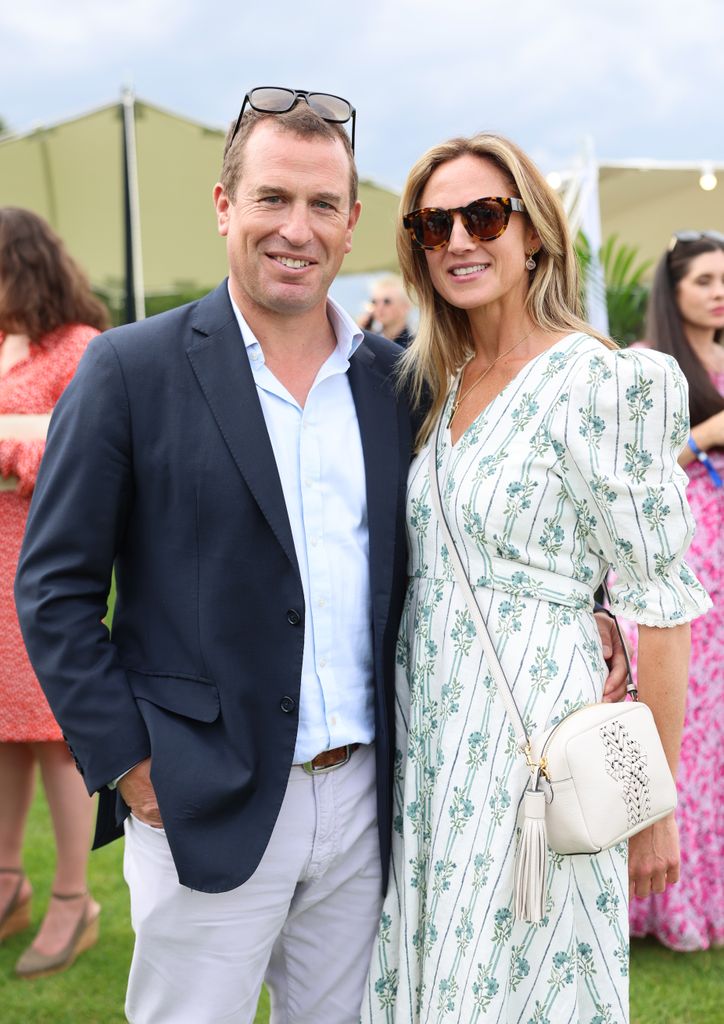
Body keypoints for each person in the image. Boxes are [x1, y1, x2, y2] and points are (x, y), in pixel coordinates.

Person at [15, 95, 627, 1023]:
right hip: (197, 797)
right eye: (271, 199)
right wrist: (133, 768)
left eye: (321, 205)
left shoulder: (400, 382)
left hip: (369, 807)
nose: (294, 229)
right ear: (225, 205)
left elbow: (470, 533)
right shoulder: (130, 371)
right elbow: (54, 591)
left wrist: (591, 609)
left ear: (350, 230)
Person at [361, 134, 710, 1023]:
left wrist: (651, 800)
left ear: (535, 234)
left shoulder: (601, 382)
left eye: (484, 215)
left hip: (540, 751)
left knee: (534, 982)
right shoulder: (437, 381)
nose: (459, 241)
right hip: (433, 747)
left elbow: (662, 608)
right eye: (434, 225)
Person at [0, 207, 107, 977]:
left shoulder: (82, 350)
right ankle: (8, 884)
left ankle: (76, 900)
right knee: (4, 740)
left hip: (42, 571)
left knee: (58, 741)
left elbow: (83, 456)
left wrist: (13, 449)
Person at [626, 231, 724, 951]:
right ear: (674, 289)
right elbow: (630, 468)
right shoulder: (643, 366)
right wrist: (706, 434)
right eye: (705, 281)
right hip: (683, 553)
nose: (719, 292)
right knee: (682, 725)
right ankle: (661, 899)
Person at [359, 275, 414, 346]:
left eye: (386, 301)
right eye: (374, 302)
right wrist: (361, 334)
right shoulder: (371, 338)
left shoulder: (413, 346)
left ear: (405, 307)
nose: (379, 307)